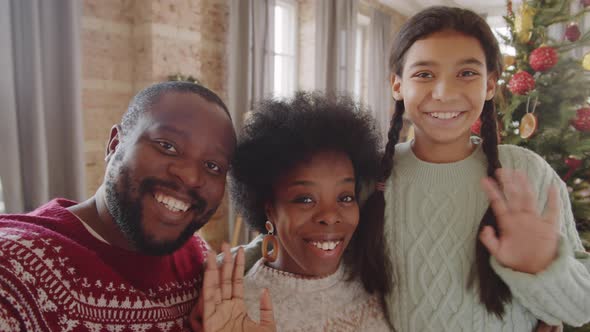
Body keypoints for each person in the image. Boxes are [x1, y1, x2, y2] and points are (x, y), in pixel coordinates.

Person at [359, 6, 589, 331]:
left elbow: (581, 308)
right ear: (397, 85)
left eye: (466, 73)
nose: (445, 93)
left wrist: (542, 266)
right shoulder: (373, 177)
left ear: (491, 84)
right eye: (424, 74)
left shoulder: (525, 172)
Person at [0, 81, 236, 331]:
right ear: (114, 145)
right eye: (167, 146)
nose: (190, 177)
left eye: (213, 166)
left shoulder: (199, 261)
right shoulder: (13, 270)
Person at [191, 92, 392, 331]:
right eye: (305, 199)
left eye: (345, 197)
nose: (330, 216)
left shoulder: (368, 271)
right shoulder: (238, 312)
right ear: (270, 210)